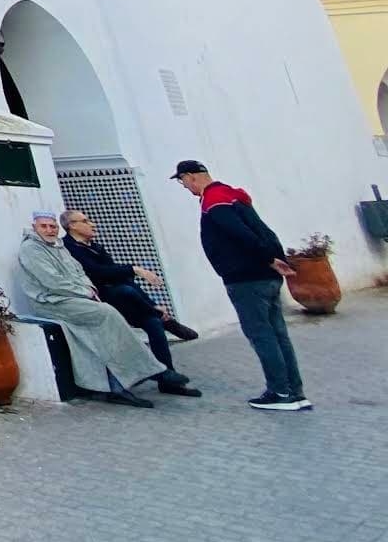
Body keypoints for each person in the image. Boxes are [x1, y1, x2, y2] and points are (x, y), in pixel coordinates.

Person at [16, 212, 201, 405]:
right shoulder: (32, 249)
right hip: (53, 302)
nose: (49, 230)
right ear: (35, 228)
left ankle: (159, 374)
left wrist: (89, 290)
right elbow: (53, 282)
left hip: (81, 297)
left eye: (52, 226)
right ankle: (149, 371)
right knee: (108, 313)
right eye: (44, 226)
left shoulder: (61, 247)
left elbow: (81, 273)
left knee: (148, 320)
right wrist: (87, 292)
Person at [171, 160, 311, 412]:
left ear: (191, 176)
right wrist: (276, 259)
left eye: (183, 182)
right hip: (266, 276)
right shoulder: (233, 195)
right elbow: (264, 231)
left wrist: (270, 259)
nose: (185, 187)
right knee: (278, 335)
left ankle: (280, 392)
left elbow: (241, 233)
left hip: (247, 279)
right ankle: (295, 392)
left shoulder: (214, 200)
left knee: (261, 335)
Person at [61, 209, 197, 372]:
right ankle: (163, 318)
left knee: (152, 322)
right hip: (96, 299)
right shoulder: (68, 248)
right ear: (72, 226)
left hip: (121, 298)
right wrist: (134, 269)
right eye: (85, 221)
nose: (92, 224)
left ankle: (168, 374)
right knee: (126, 291)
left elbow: (116, 273)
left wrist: (151, 302)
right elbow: (97, 272)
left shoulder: (95, 246)